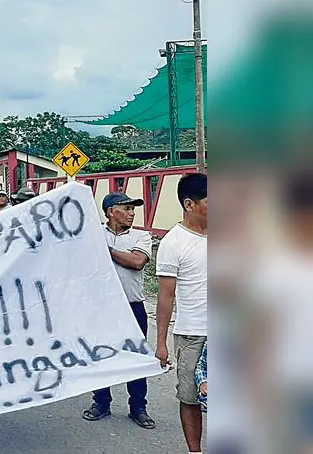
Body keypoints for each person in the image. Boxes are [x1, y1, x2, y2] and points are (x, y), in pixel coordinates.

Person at [82, 192, 155, 429]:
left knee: (135, 357)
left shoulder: (141, 236)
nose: (132, 213)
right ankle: (101, 402)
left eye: (133, 209)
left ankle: (138, 407)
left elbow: (136, 262)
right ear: (111, 211)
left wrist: (105, 250)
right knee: (100, 356)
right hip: (100, 307)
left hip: (132, 306)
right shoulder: (92, 236)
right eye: (127, 208)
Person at [155, 173, 207, 454]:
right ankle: (195, 451)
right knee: (191, 397)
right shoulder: (173, 243)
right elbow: (166, 296)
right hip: (192, 334)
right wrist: (161, 343)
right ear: (190, 204)